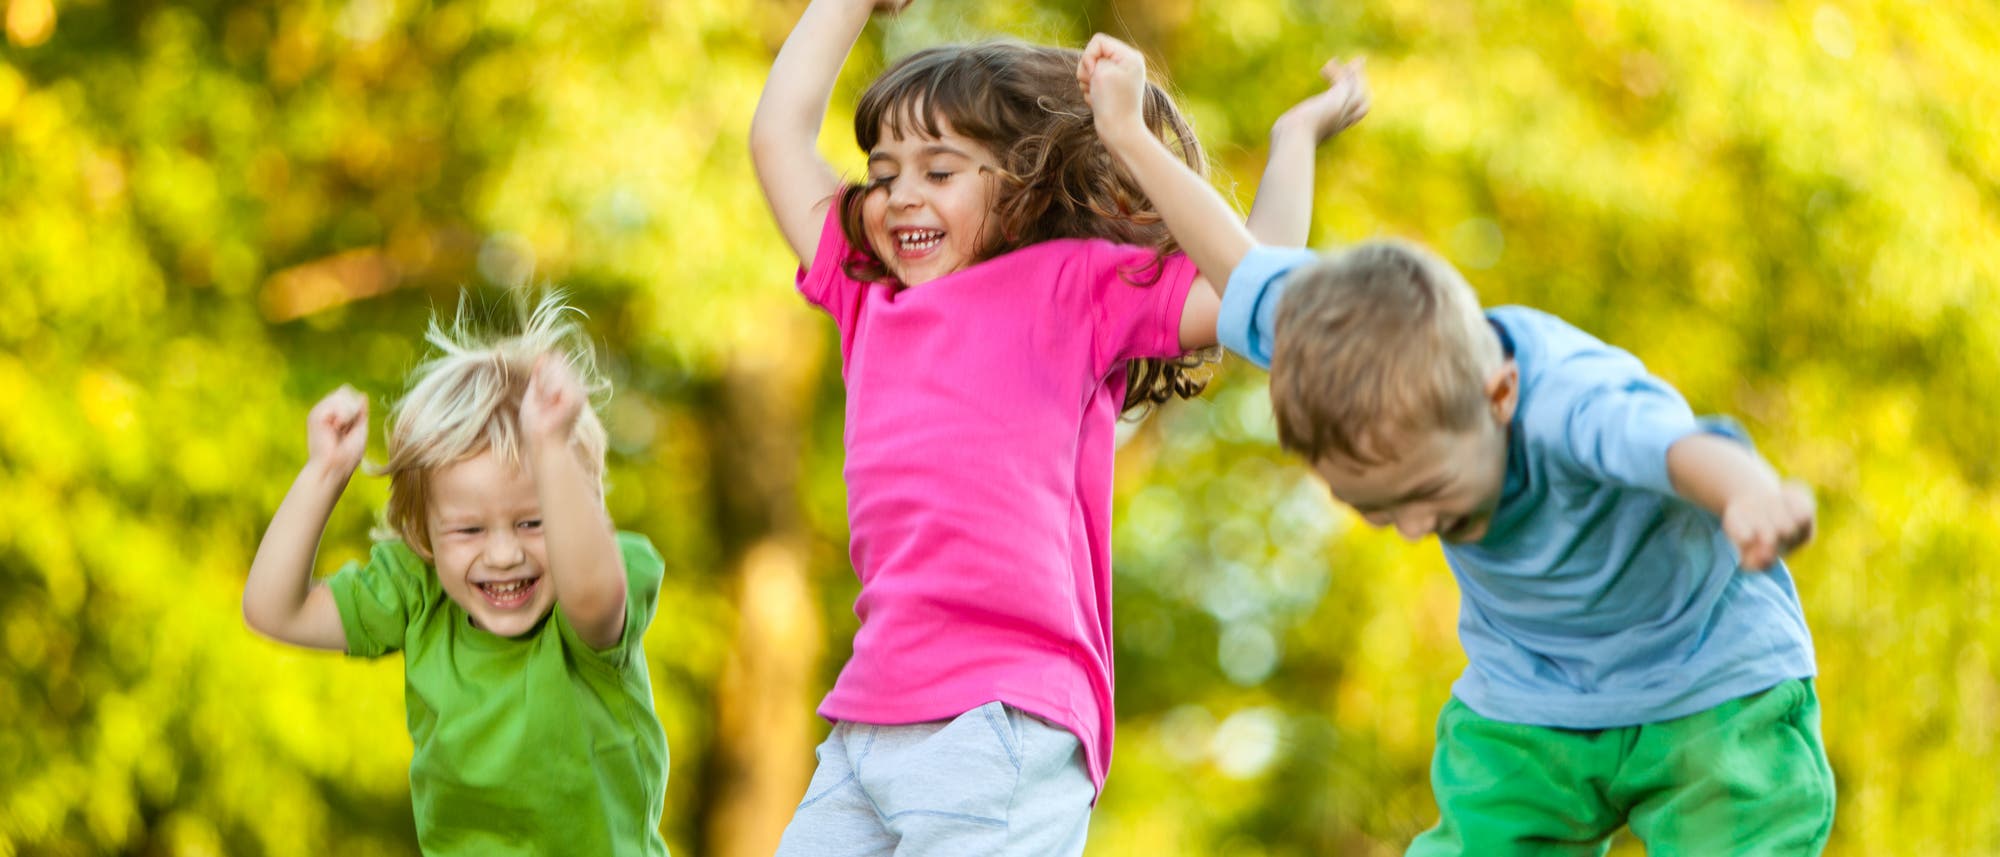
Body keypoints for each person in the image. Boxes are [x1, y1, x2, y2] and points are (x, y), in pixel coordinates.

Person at [1082, 33, 1834, 855]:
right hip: (1531, 701)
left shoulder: (1568, 401)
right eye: (1375, 509)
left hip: (1709, 684)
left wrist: (1751, 496)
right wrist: (1144, 133)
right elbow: (1243, 260)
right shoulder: (1346, 350)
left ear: (1499, 395)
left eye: (1426, 495)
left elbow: (1678, 449)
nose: (1412, 528)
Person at [749, 1, 1366, 853]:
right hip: (867, 717)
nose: (899, 196)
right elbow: (779, 136)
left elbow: (1255, 288)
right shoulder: (867, 293)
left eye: (940, 169)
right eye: (883, 171)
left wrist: (1198, 138)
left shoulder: (1071, 286)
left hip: (999, 713)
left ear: (1020, 185)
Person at [241, 294, 671, 856]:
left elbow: (594, 596)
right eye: (469, 531)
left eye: (533, 521)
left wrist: (551, 447)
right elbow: (274, 610)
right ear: (423, 536)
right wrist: (325, 472)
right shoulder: (417, 592)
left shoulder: (590, 594)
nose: (502, 554)